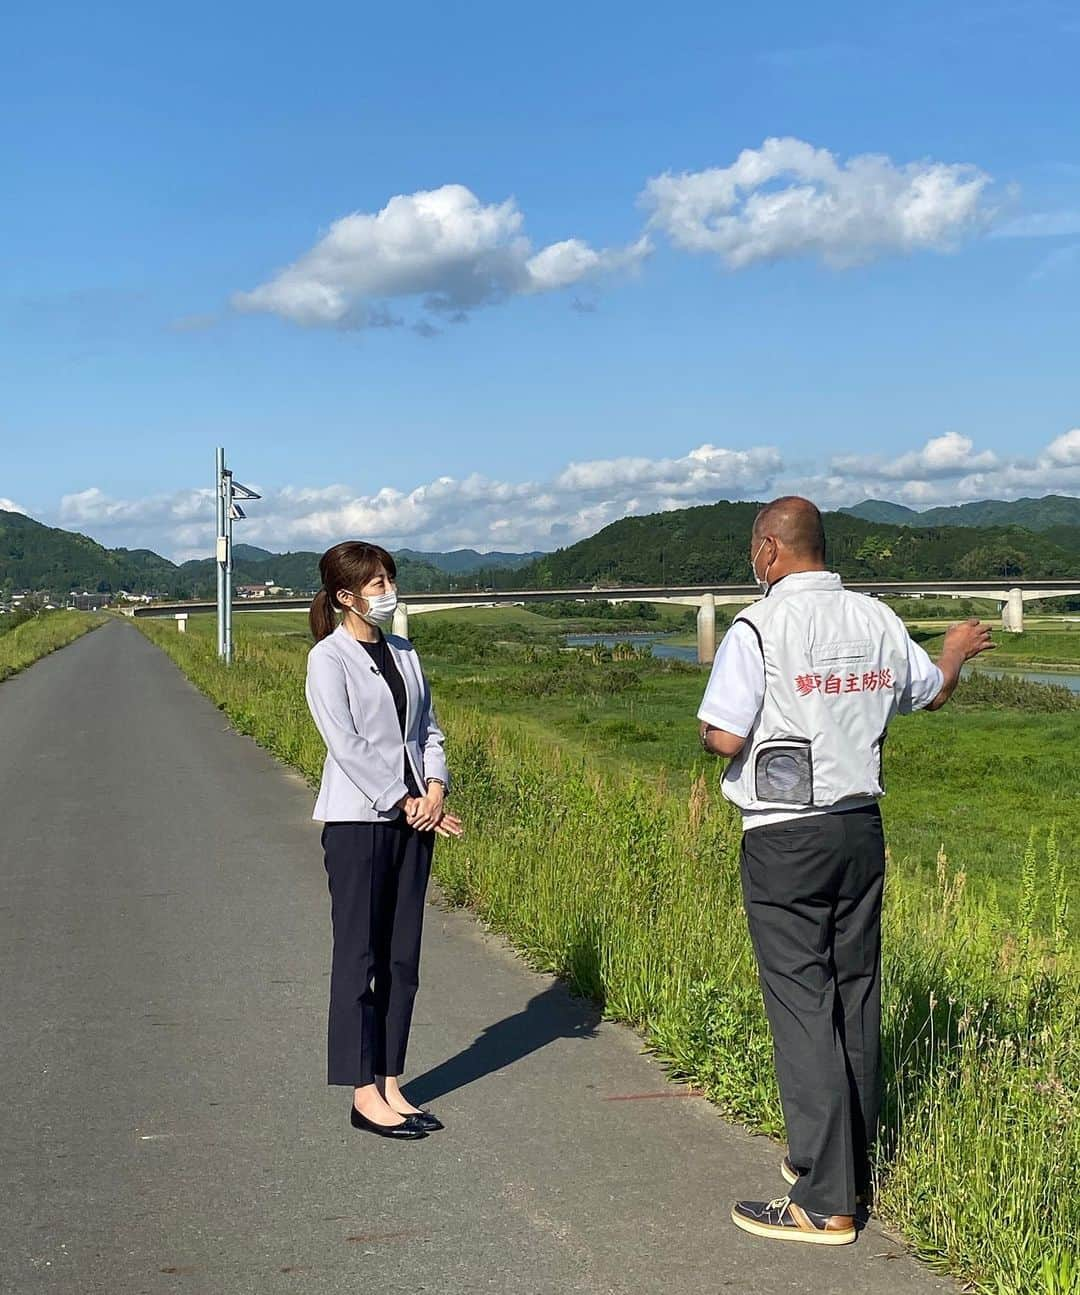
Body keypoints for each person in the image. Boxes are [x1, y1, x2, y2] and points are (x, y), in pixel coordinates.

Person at [697, 496, 994, 1245]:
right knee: (856, 997)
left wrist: (708, 731)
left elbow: (726, 736)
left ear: (769, 549)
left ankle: (825, 1197)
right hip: (859, 826)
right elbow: (933, 689)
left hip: (783, 836)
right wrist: (955, 646)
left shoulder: (758, 626)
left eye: (752, 550)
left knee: (802, 1005)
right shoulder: (876, 618)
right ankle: (850, 1166)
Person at [305, 541, 463, 1141]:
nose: (385, 590)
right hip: (358, 823)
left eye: (387, 579)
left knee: (403, 957)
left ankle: (392, 1080)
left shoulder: (403, 651)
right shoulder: (329, 659)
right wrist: (404, 800)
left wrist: (436, 789)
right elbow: (346, 745)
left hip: (413, 817)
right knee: (360, 957)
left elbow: (427, 729)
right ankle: (361, 1091)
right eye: (373, 583)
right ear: (345, 596)